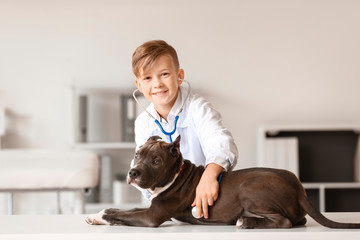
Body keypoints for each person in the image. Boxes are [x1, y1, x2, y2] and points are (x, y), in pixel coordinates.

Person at [132, 40, 238, 219]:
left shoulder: (198, 108)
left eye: (164, 74)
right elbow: (140, 165)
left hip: (208, 201)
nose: (157, 84)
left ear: (179, 76)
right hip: (169, 208)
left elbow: (221, 143)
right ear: (139, 85)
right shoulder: (143, 122)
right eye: (148, 78)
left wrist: (209, 176)